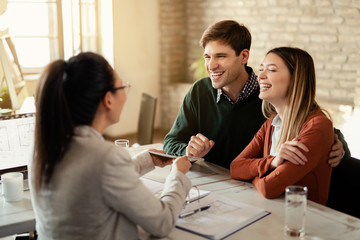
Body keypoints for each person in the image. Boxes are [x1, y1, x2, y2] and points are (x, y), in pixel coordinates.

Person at [29, 52, 192, 240]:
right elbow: (162, 222)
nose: (125, 93)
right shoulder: (104, 156)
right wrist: (177, 175)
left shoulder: (43, 145)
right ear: (108, 99)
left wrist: (147, 160)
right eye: (123, 86)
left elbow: (94, 177)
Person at [163, 20, 347, 170]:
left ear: (244, 56)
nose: (211, 66)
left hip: (254, 187)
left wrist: (341, 146)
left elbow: (319, 124)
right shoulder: (200, 90)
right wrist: (188, 151)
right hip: (212, 186)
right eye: (207, 57)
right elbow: (171, 141)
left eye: (220, 56)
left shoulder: (271, 92)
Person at [230, 47, 333, 205]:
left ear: (296, 79)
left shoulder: (317, 126)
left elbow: (269, 187)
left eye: (271, 70)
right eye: (261, 69)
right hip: (267, 210)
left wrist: (254, 176)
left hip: (304, 221)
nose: (260, 76)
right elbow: (236, 167)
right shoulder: (271, 123)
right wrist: (272, 162)